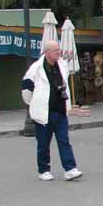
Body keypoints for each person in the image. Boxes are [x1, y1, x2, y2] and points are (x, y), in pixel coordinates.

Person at [21, 41, 82, 181]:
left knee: (64, 140)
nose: (59, 52)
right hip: (44, 112)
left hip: (60, 110)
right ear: (47, 52)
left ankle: (70, 169)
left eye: (59, 50)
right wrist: (34, 104)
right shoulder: (35, 68)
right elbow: (26, 89)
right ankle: (43, 170)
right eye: (55, 50)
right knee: (43, 143)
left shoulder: (62, 65)